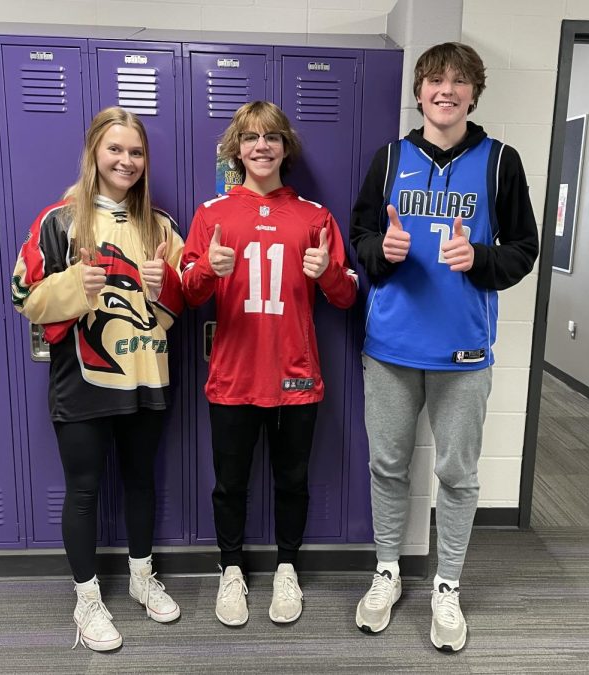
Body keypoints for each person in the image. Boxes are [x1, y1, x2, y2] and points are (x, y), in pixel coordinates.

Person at [349, 42, 539, 652]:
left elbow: (524, 249)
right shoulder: (389, 159)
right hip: (390, 348)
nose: (446, 90)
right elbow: (360, 236)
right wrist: (384, 252)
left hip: (462, 353)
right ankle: (386, 571)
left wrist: (481, 258)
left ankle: (447, 584)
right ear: (419, 91)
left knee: (457, 474)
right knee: (388, 466)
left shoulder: (501, 161)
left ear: (474, 93)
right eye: (435, 80)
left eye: (459, 81)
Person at [11, 106, 184, 651]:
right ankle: (87, 600)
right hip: (82, 382)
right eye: (115, 149)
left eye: (135, 152)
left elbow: (183, 303)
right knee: (83, 491)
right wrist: (73, 284)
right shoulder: (57, 221)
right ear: (94, 153)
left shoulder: (160, 226)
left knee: (141, 482)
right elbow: (24, 300)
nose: (126, 160)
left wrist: (165, 286)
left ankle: (140, 577)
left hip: (145, 375)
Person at [181, 101, 358, 627]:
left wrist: (327, 273)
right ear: (237, 148)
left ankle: (287, 567)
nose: (262, 146)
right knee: (229, 484)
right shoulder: (212, 214)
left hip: (296, 375)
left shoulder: (314, 216)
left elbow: (347, 296)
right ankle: (230, 569)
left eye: (272, 137)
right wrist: (208, 273)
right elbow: (189, 295)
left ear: (286, 148)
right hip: (234, 376)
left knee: (293, 480)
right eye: (251, 137)